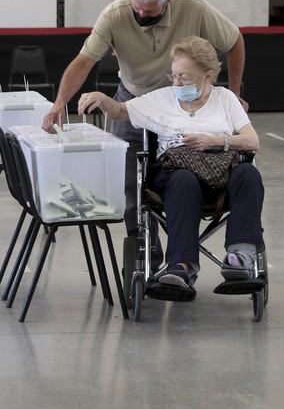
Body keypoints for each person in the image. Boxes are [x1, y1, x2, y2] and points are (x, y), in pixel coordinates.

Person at [42, 0, 245, 241]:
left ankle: (181, 242)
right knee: (129, 180)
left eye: (148, 13)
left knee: (187, 172)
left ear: (168, 1)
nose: (140, 16)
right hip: (134, 97)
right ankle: (143, 246)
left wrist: (233, 93)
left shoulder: (193, 5)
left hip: (181, 102)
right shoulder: (114, 14)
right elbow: (84, 62)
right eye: (136, 9)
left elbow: (234, 41)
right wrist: (59, 103)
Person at [77, 36, 263, 296]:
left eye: (184, 78)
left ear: (207, 76)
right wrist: (101, 97)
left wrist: (215, 141)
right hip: (176, 180)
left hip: (220, 179)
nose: (176, 83)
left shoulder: (226, 100)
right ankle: (182, 266)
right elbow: (119, 111)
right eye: (174, 76)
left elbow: (252, 141)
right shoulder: (162, 99)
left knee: (248, 173)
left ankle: (240, 258)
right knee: (184, 179)